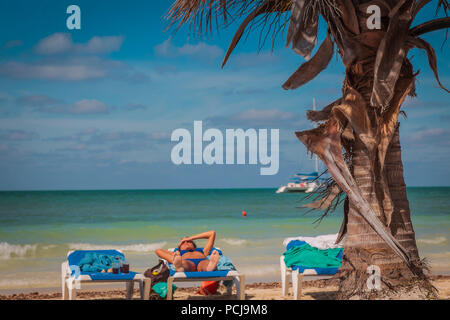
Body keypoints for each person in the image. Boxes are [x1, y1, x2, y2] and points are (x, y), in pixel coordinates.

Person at [155, 230, 220, 272]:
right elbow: (158, 251)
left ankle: (210, 267)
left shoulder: (203, 251)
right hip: (186, 262)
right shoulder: (177, 253)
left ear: (194, 246)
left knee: (205, 264)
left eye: (189, 241)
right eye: (183, 242)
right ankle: (179, 267)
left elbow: (212, 233)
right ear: (180, 247)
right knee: (185, 264)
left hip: (202, 260)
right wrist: (173, 259)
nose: (186, 243)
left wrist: (191, 238)